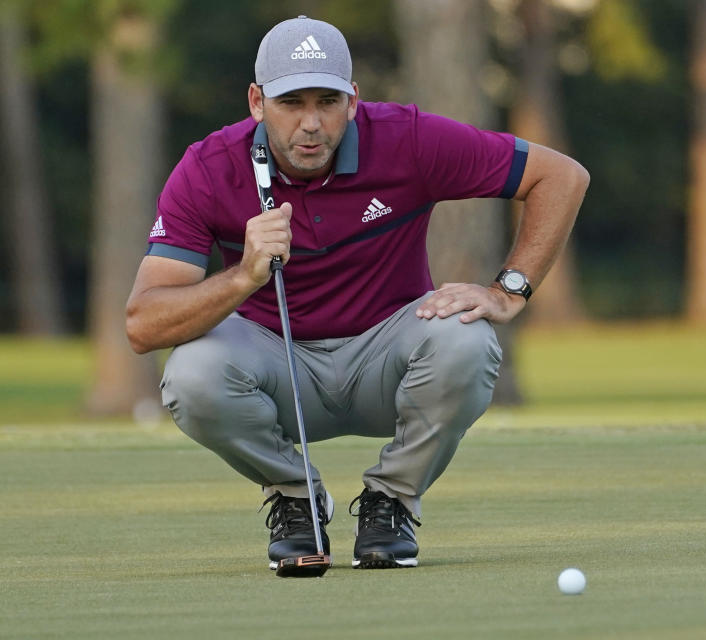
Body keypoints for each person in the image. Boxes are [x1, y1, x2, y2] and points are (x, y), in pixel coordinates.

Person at [125, 15, 589, 571]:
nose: (312, 123)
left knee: (466, 340)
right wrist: (244, 274)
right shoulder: (208, 168)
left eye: (328, 101)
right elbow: (143, 325)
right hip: (275, 369)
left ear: (353, 100)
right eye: (291, 102)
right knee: (191, 373)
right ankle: (297, 499)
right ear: (256, 102)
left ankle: (391, 500)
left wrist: (508, 290)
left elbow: (560, 176)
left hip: (386, 360)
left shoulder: (408, 139)